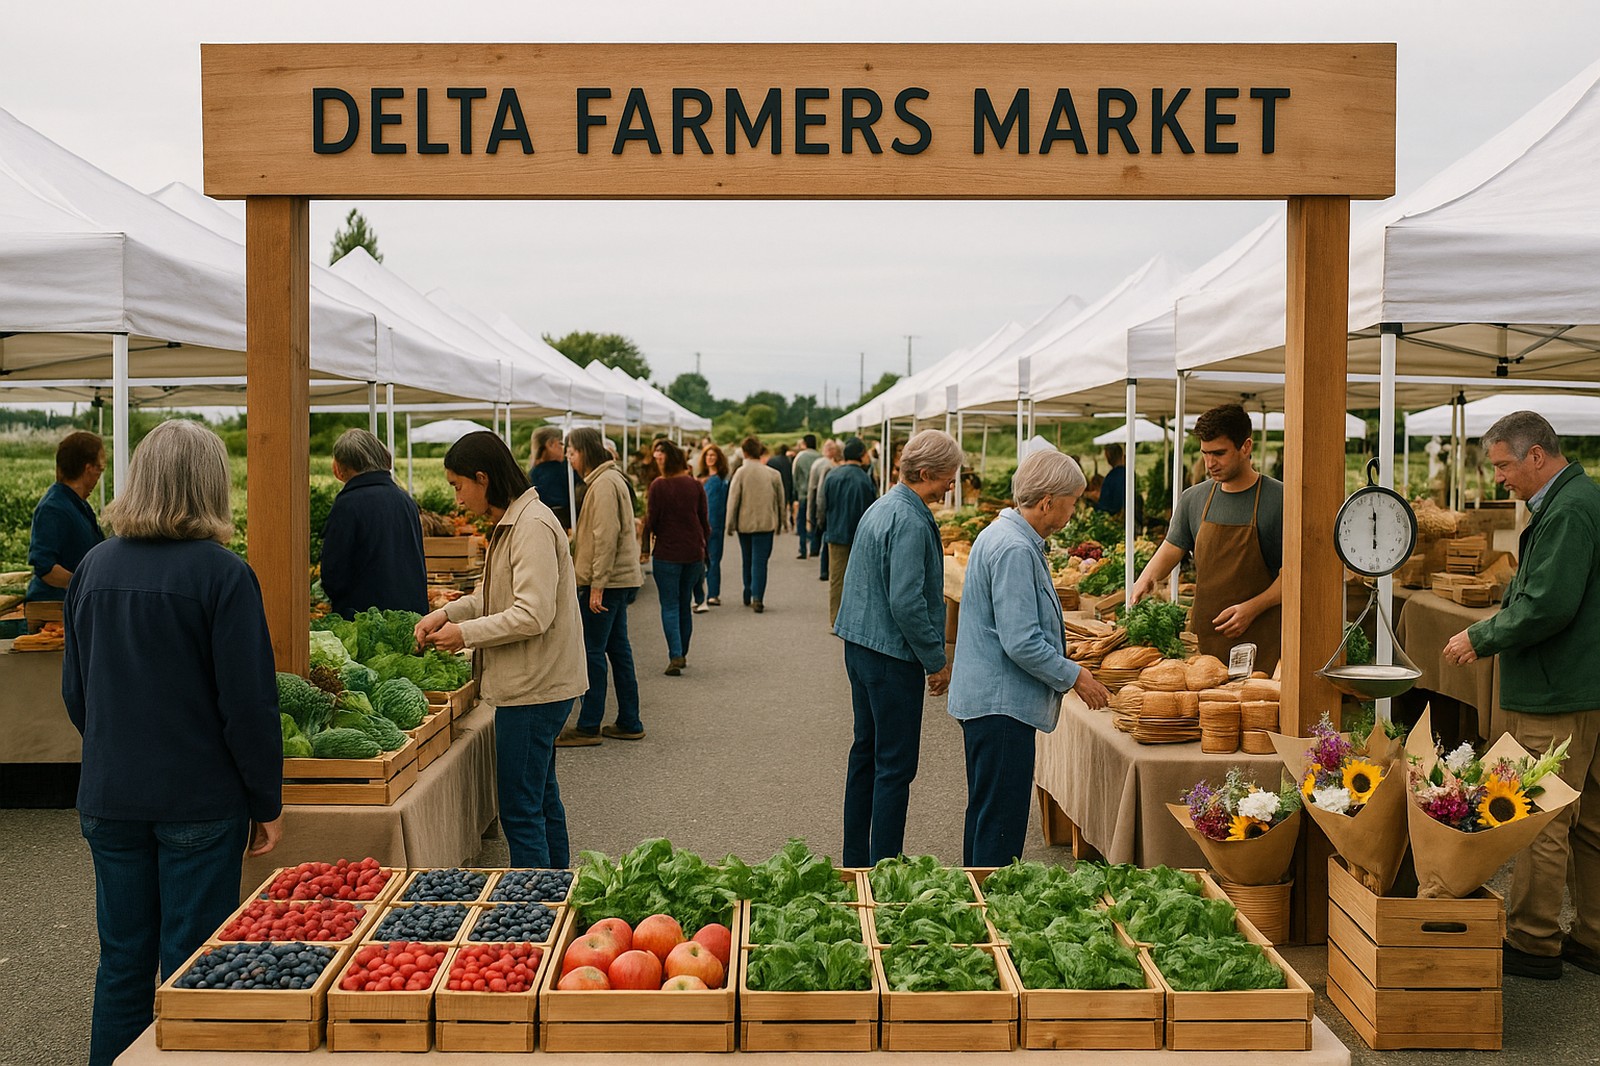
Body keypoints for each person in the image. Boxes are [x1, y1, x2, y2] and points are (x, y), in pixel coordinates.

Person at [61, 420, 282, 1066]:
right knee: (192, 967)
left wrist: (112, 747)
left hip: (110, 795)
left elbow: (77, 692)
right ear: (212, 486)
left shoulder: (93, 569)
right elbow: (248, 706)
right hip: (199, 800)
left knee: (122, 963)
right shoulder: (223, 575)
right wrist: (265, 799)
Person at [1441, 411, 1600, 981]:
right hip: (1584, 685)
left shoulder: (1570, 509)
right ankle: (1592, 937)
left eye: (1505, 465)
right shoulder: (1578, 500)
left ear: (1538, 456)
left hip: (1556, 689)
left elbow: (1550, 604)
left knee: (1541, 817)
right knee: (1590, 822)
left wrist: (1481, 636)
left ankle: (1534, 941)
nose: (1500, 478)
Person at [416, 431, 586, 867]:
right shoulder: (516, 520)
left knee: (521, 809)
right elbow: (497, 597)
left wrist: (465, 634)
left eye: (458, 486)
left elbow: (532, 614)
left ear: (482, 478)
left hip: (534, 688)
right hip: (537, 683)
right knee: (541, 799)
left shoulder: (529, 525)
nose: (457, 498)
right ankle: (556, 894)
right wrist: (450, 614)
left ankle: (533, 909)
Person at [948, 449, 1112, 866]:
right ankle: (992, 912)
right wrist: (1075, 675)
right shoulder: (1014, 548)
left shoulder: (1005, 537)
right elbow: (1020, 641)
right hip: (1001, 707)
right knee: (1000, 826)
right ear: (1047, 502)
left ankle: (976, 903)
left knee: (987, 816)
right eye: (1073, 502)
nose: (1074, 511)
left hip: (991, 701)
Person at [833, 430, 961, 866]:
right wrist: (936, 660)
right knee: (894, 766)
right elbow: (906, 601)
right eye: (948, 477)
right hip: (889, 655)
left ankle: (856, 861)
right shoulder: (908, 518)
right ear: (925, 473)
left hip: (862, 645)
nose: (952, 485)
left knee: (866, 754)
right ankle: (885, 864)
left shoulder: (884, 505)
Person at [1127, 403, 1283, 674]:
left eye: (1219, 453)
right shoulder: (1194, 498)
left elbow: (1295, 575)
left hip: (1263, 644)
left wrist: (1252, 609)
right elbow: (1171, 548)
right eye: (1205, 454)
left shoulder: (1279, 499)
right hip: (1206, 646)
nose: (1210, 463)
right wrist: (1145, 579)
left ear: (1246, 447)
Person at [557, 427, 644, 746]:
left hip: (607, 581)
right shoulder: (608, 479)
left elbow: (605, 537)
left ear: (587, 451)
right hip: (617, 579)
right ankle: (629, 720)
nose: (569, 457)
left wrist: (597, 585)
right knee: (618, 649)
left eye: (573, 451)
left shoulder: (604, 484)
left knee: (592, 650)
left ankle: (589, 724)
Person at [319, 428, 428, 619]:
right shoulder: (405, 500)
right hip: (412, 617)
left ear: (339, 467)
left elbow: (334, 575)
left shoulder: (348, 504)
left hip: (366, 621)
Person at [640, 439, 710, 675]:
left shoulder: (658, 486)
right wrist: (706, 552)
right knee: (683, 604)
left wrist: (645, 548)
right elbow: (704, 521)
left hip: (667, 554)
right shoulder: (695, 485)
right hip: (692, 552)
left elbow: (652, 519)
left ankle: (676, 653)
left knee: (669, 605)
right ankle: (682, 651)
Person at [26, 430, 105, 602]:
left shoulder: (76, 504)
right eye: (100, 469)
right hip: (54, 607)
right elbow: (45, 567)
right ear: (88, 469)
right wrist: (84, 586)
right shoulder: (53, 508)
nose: (99, 477)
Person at [821, 437, 878, 626]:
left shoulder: (832, 475)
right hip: (859, 536)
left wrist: (822, 526)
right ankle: (855, 620)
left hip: (835, 532)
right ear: (862, 455)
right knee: (859, 579)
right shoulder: (864, 479)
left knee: (836, 579)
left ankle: (835, 619)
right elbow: (872, 511)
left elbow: (822, 504)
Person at [725, 436, 785, 613]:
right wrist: (781, 523)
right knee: (760, 561)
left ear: (744, 452)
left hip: (744, 524)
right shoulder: (773, 474)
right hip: (766, 524)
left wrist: (730, 524)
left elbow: (733, 499)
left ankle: (747, 591)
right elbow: (781, 502)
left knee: (747, 559)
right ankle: (757, 597)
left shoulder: (740, 473)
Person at [693, 443, 731, 610]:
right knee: (699, 561)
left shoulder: (722, 480)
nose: (710, 458)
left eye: (713, 455)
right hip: (699, 524)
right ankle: (699, 595)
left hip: (716, 525)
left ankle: (713, 594)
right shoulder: (699, 478)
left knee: (714, 560)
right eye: (708, 455)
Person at [527, 425, 575, 529]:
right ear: (550, 444)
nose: (564, 449)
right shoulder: (565, 470)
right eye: (561, 444)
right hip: (562, 523)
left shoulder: (532, 473)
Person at [808, 439, 842, 581]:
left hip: (822, 503)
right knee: (827, 538)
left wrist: (813, 514)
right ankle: (824, 568)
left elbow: (814, 489)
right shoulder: (830, 468)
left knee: (824, 536)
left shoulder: (817, 464)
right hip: (832, 508)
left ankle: (822, 568)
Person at [791, 434, 820, 559]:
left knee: (801, 522)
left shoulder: (800, 457)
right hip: (817, 494)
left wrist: (796, 494)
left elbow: (795, 477)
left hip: (803, 494)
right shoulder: (820, 457)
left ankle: (803, 549)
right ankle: (814, 547)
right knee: (815, 521)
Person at [768, 442, 796, 532]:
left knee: (774, 505)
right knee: (783, 505)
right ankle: (785, 524)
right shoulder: (789, 461)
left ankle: (777, 525)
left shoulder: (772, 460)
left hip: (773, 485)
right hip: (786, 484)